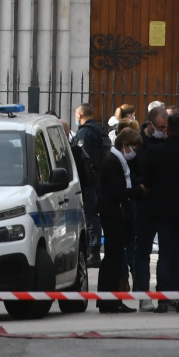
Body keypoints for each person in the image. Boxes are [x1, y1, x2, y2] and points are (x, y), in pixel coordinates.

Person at [134, 112, 179, 312]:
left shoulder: (156, 152)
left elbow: (148, 182)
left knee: (165, 253)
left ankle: (162, 298)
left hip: (162, 210)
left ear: (168, 128)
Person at [95, 127, 142, 311]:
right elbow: (118, 192)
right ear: (125, 145)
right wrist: (138, 191)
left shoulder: (116, 159)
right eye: (133, 148)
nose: (134, 153)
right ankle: (110, 301)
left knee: (112, 258)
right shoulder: (113, 161)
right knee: (113, 258)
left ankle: (108, 299)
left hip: (114, 213)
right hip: (112, 213)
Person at [70, 103, 110, 269]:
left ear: (79, 114)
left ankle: (93, 251)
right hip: (100, 178)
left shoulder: (84, 132)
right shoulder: (100, 131)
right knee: (94, 214)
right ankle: (93, 249)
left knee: (90, 215)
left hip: (89, 180)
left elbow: (81, 157)